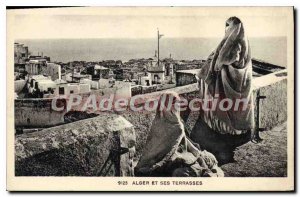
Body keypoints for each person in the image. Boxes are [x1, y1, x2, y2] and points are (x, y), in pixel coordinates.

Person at [134, 91, 224, 177]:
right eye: (175, 103)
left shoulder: (175, 123)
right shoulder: (159, 123)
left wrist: (196, 152)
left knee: (203, 159)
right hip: (167, 158)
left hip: (178, 154)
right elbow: (154, 147)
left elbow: (183, 140)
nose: (178, 106)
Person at [197, 17, 256, 139]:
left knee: (229, 108)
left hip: (231, 83)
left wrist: (216, 61)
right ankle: (237, 130)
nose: (226, 29)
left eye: (228, 26)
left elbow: (223, 60)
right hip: (242, 82)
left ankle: (229, 131)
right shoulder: (244, 40)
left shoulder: (234, 43)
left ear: (233, 28)